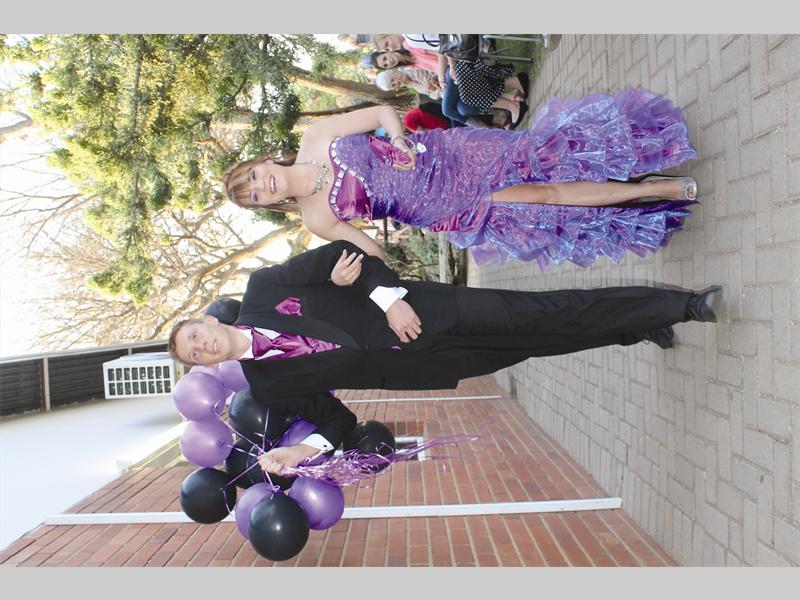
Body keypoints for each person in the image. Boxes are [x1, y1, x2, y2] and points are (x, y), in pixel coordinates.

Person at [169, 240, 723, 472]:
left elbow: (345, 254)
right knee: (544, 342)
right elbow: (337, 420)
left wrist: (388, 302)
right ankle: (638, 326)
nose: (201, 345)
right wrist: (301, 451)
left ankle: (682, 306)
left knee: (549, 309)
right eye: (194, 354)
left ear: (208, 321)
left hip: (431, 311)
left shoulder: (265, 288)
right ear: (206, 365)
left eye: (195, 333)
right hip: (425, 366)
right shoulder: (268, 387)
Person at [223, 94, 698, 269]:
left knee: (542, 154)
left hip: (451, 155)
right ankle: (651, 190)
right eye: (257, 195)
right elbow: (374, 253)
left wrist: (399, 139)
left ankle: (637, 153)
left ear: (261, 162)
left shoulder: (315, 137)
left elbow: (382, 112)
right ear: (265, 204)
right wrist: (349, 273)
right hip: (443, 209)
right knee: (547, 199)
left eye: (255, 177)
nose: (265, 185)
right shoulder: (316, 220)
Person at [374, 66, 442, 100]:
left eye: (392, 79)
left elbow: (428, 83)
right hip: (441, 87)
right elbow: (432, 95)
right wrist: (410, 83)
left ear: (392, 72)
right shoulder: (409, 84)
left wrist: (432, 86)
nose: (396, 82)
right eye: (393, 85)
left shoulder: (408, 68)